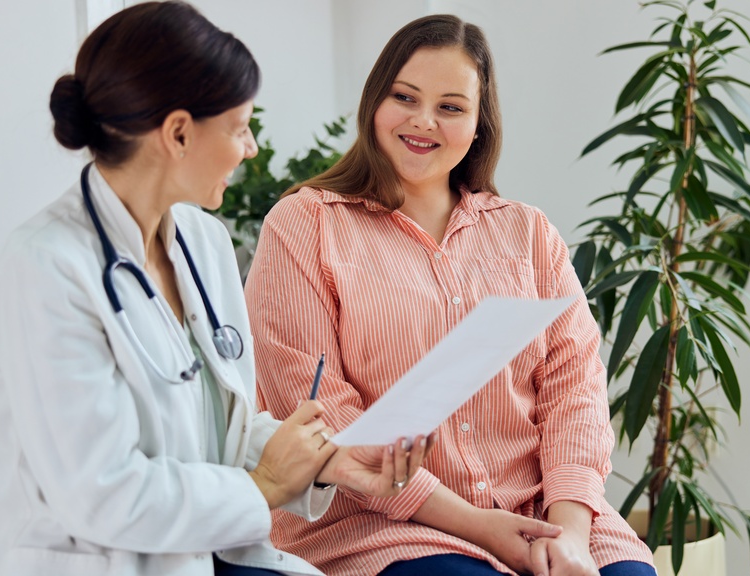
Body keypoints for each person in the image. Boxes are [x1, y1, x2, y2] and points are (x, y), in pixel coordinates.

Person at [0, 3, 431, 576]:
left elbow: (213, 428)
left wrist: (331, 461)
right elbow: (103, 493)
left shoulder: (201, 242)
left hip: (199, 551)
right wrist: (265, 486)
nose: (250, 148)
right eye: (239, 127)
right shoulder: (47, 267)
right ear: (178, 133)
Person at [244, 14, 656, 576]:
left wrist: (571, 536)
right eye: (404, 97)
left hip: (540, 505)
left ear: (480, 122)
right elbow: (319, 411)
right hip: (379, 523)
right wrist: (479, 526)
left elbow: (574, 394)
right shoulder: (304, 224)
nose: (423, 121)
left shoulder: (528, 233)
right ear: (374, 102)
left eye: (451, 107)